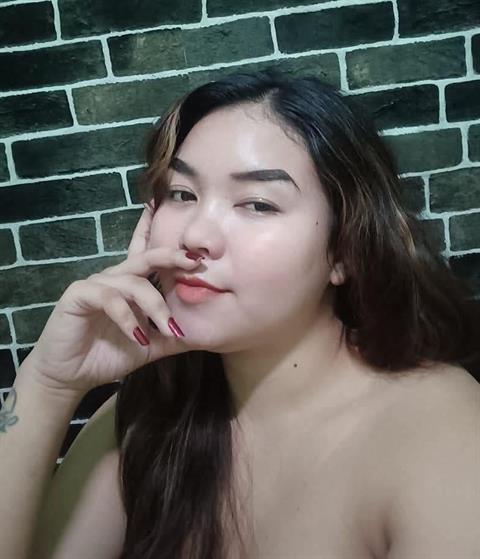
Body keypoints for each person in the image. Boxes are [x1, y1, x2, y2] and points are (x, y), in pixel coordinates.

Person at [0, 67, 479, 559]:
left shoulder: (440, 430)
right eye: (182, 194)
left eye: (257, 204)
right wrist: (47, 387)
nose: (195, 235)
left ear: (345, 251)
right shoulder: (141, 418)